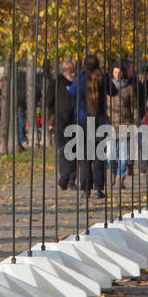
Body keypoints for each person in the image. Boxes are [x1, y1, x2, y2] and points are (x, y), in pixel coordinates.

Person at [64, 54, 110, 197]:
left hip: (82, 121)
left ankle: (85, 188)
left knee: (84, 156)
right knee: (98, 156)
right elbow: (113, 91)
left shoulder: (79, 79)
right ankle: (98, 188)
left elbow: (71, 93)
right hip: (99, 120)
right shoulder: (103, 78)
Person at [107, 63, 136, 187]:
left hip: (125, 123)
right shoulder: (107, 88)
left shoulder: (129, 88)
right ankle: (113, 172)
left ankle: (120, 177)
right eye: (115, 72)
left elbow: (134, 107)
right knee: (110, 154)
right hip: (110, 124)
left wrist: (135, 124)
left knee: (123, 155)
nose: (117, 75)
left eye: (119, 72)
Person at [53, 59, 78, 189]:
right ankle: (64, 176)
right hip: (61, 121)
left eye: (74, 71)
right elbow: (49, 101)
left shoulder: (77, 83)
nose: (73, 74)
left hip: (75, 121)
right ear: (63, 72)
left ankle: (72, 179)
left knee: (73, 151)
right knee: (63, 150)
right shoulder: (57, 84)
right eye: (71, 72)